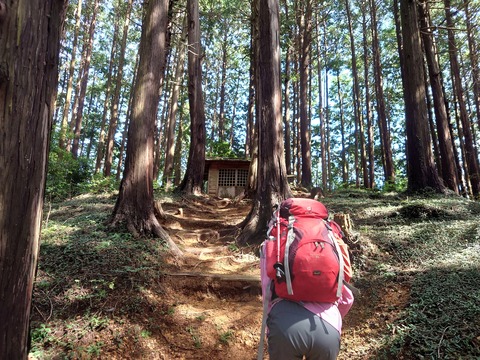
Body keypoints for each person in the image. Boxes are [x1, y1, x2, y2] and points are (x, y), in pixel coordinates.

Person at [259, 243, 354, 360]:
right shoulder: (333, 238)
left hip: (284, 326)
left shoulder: (277, 235)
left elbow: (266, 288)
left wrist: (272, 324)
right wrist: (332, 318)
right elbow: (347, 299)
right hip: (327, 329)